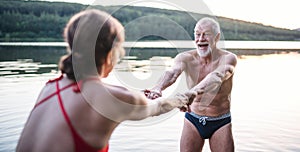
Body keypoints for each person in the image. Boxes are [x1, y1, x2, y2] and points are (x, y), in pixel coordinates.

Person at [16, 9, 197, 152]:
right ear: (111, 53)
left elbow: (95, 93)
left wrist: (133, 95)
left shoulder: (50, 87)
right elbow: (158, 107)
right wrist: (180, 99)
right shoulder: (112, 98)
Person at [145, 17, 237, 152]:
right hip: (193, 120)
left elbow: (216, 77)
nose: (201, 38)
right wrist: (158, 88)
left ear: (217, 37)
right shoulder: (185, 57)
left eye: (206, 34)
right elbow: (172, 73)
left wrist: (191, 93)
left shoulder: (228, 58)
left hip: (220, 122)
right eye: (197, 34)